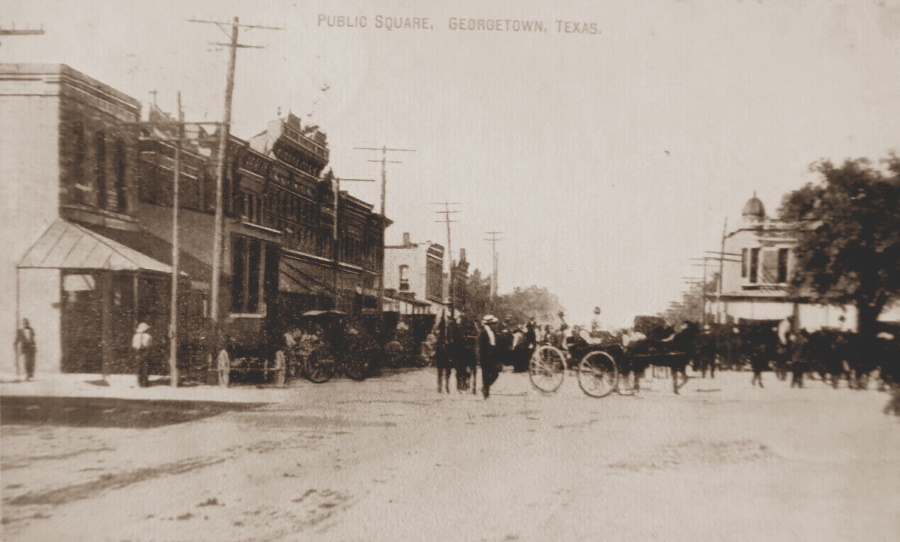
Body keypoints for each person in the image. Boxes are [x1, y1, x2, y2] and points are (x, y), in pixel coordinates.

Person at [478, 315, 500, 399]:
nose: (494, 325)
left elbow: (495, 343)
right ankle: (486, 393)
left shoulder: (493, 331)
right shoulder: (483, 332)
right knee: (485, 374)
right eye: (492, 323)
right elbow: (481, 346)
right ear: (489, 324)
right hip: (485, 355)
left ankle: (485, 387)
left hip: (493, 354)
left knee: (495, 373)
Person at [132, 322, 153, 387]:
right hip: (145, 351)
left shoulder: (135, 336)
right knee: (145, 367)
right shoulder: (149, 336)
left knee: (139, 367)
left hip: (138, 352)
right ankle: (145, 382)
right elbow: (150, 345)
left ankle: (139, 382)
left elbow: (134, 345)